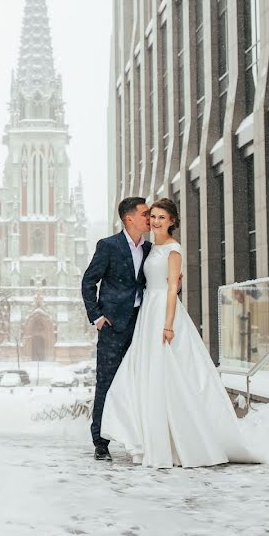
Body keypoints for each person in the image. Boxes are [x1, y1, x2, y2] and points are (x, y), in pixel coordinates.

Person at [101, 198, 255, 468]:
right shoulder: (151, 247)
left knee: (168, 374)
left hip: (163, 311)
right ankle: (147, 436)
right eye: (153, 216)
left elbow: (172, 288)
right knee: (143, 373)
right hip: (148, 311)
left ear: (172, 221)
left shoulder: (173, 249)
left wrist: (169, 324)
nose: (155, 221)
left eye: (161, 217)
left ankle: (179, 440)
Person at [81, 197, 151, 461]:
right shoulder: (108, 246)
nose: (149, 218)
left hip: (142, 325)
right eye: (145, 213)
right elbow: (88, 282)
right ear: (129, 218)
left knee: (140, 382)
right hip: (113, 327)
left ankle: (139, 436)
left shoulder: (151, 250)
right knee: (107, 383)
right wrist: (97, 317)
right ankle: (100, 441)